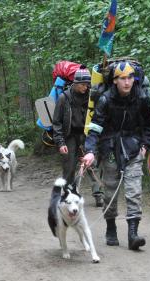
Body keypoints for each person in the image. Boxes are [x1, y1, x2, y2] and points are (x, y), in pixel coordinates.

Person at [82, 61, 150, 250]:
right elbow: (95, 128)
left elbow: (149, 124)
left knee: (134, 191)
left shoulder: (141, 97)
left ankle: (133, 235)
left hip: (133, 149)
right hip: (111, 150)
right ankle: (111, 227)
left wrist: (145, 145)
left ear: (135, 79)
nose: (127, 82)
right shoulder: (105, 100)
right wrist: (90, 151)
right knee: (110, 192)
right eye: (123, 78)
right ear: (115, 81)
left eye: (130, 77)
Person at [52, 67, 105, 207]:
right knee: (69, 167)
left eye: (87, 84)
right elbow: (56, 122)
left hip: (87, 135)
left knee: (92, 165)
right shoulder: (64, 98)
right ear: (75, 83)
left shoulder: (92, 97)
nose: (85, 86)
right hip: (69, 136)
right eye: (82, 84)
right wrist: (60, 142)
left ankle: (98, 195)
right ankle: (68, 194)